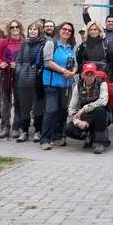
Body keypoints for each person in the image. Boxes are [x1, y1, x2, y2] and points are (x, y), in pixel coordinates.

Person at [40, 22, 77, 150]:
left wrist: (72, 72)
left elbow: (75, 64)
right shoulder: (51, 43)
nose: (67, 31)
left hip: (66, 84)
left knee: (62, 111)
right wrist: (63, 71)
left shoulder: (70, 47)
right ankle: (45, 139)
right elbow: (48, 62)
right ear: (59, 30)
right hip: (51, 83)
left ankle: (57, 137)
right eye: (64, 29)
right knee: (51, 110)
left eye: (69, 30)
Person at [66, 63, 111, 154]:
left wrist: (84, 109)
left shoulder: (102, 84)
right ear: (83, 75)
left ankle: (100, 142)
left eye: (92, 74)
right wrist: (78, 122)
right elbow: (71, 108)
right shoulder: (77, 86)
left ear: (95, 75)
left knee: (100, 110)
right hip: (85, 117)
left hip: (101, 115)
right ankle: (89, 135)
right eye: (87, 74)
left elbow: (103, 101)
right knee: (68, 129)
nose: (89, 77)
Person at [14, 21, 47, 142]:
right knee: (24, 106)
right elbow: (19, 60)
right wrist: (20, 70)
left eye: (35, 29)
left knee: (38, 107)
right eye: (30, 29)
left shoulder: (44, 44)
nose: (32, 31)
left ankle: (38, 131)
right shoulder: (24, 44)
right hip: (23, 79)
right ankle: (24, 131)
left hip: (37, 79)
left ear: (39, 31)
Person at [0, 20, 24, 139]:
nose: (14, 29)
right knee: (6, 103)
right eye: (12, 27)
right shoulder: (4, 42)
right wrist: (1, 63)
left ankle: (16, 127)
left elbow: (27, 60)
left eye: (17, 26)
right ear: (9, 29)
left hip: (19, 76)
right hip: (6, 75)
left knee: (18, 102)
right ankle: (4, 127)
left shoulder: (24, 42)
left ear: (20, 28)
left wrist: (18, 65)